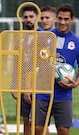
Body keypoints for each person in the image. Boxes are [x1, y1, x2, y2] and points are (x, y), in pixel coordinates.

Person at [35, 4, 79, 135]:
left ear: (72, 20)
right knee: (38, 128)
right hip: (42, 90)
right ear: (56, 19)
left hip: (63, 93)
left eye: (66, 19)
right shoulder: (45, 37)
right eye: (60, 18)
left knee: (63, 130)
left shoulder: (76, 42)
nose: (62, 22)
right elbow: (32, 62)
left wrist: (76, 82)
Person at [10, 5, 41, 135]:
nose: (28, 19)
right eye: (26, 17)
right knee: (26, 120)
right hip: (23, 84)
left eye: (31, 17)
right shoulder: (21, 37)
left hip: (40, 84)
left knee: (40, 123)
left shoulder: (44, 36)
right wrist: (13, 83)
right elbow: (17, 62)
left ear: (37, 17)